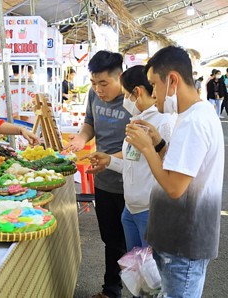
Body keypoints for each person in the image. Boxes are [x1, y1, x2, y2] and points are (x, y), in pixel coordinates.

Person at [125, 46, 224, 297]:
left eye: (154, 85)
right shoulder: (192, 115)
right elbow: (182, 170)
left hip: (183, 244)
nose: (154, 93)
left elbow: (174, 187)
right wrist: (158, 144)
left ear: (172, 80)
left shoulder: (193, 121)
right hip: (177, 241)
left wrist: (147, 149)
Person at [84, 65, 175, 252]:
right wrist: (109, 161)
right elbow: (132, 162)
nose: (125, 100)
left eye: (126, 95)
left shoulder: (163, 122)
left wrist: (153, 146)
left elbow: (169, 168)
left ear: (137, 92)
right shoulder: (136, 119)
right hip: (131, 208)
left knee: (153, 273)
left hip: (150, 209)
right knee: (135, 269)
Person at [66, 51, 129, 298]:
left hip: (131, 185)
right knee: (111, 239)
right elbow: (89, 123)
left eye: (104, 83)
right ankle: (111, 290)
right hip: (103, 182)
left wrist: (112, 160)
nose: (98, 89)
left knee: (135, 244)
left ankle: (143, 290)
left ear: (119, 77)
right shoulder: (93, 93)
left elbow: (141, 147)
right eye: (94, 83)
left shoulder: (135, 98)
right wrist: (81, 139)